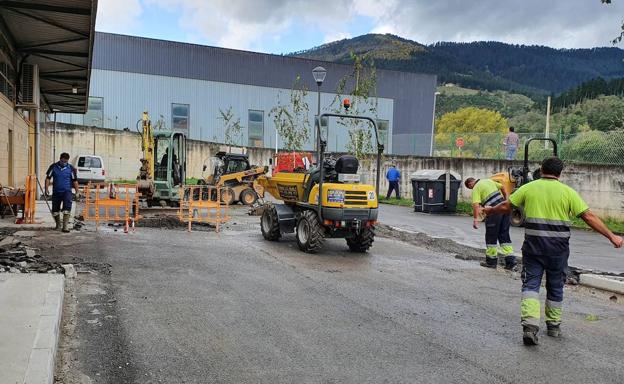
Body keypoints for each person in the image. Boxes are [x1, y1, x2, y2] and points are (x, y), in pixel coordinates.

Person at [483, 157, 622, 346]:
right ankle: (553, 326)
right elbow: (588, 216)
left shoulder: (528, 188)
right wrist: (611, 236)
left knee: (531, 285)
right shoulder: (568, 192)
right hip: (558, 250)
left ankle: (530, 326)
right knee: (556, 286)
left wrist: (490, 210)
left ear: (541, 169)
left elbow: (507, 206)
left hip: (533, 248)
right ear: (560, 173)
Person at [464, 177, 516, 269]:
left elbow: (476, 206)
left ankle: (491, 262)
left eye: (470, 188)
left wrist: (476, 220)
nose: (471, 189)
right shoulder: (488, 180)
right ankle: (510, 261)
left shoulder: (476, 188)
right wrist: (505, 201)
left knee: (491, 236)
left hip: (493, 212)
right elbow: (503, 187)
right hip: (504, 210)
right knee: (504, 235)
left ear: (470, 184)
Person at [45, 152, 79, 233]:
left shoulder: (71, 168)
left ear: (68, 160)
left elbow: (75, 181)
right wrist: (46, 188)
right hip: (56, 191)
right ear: (60, 159)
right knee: (55, 210)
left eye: (66, 161)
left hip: (67, 192)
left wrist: (77, 191)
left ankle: (65, 226)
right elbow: (48, 178)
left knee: (67, 208)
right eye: (63, 161)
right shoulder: (53, 167)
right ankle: (58, 225)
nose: (64, 163)